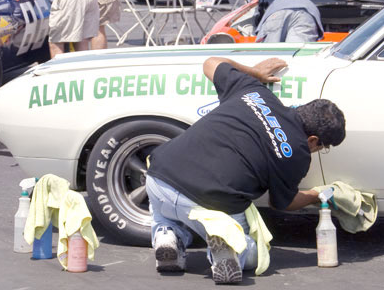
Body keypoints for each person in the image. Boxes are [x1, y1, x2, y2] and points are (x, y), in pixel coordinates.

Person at [146, 56, 346, 284]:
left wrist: (254, 72)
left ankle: (167, 234)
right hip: (212, 202)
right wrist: (314, 195)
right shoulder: (297, 153)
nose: (319, 150)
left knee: (168, 213)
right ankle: (231, 249)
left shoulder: (256, 92)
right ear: (313, 140)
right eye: (323, 147)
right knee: (256, 252)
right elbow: (282, 203)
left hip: (159, 177)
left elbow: (210, 63)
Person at [255, 0, 324, 42]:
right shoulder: (307, 4)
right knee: (296, 54)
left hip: (275, 11)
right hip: (304, 13)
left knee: (269, 55)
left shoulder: (274, 4)